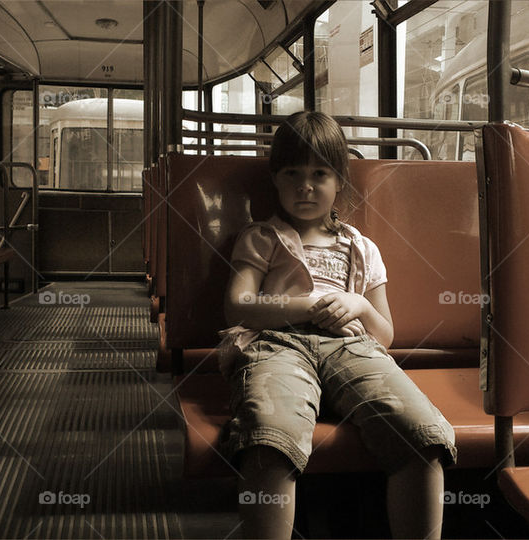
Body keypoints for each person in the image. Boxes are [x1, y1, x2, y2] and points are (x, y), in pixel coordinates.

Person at [218, 111, 457, 539]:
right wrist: (307, 306)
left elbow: (384, 335)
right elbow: (239, 305)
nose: (305, 186)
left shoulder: (362, 247)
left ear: (339, 181)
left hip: (353, 348)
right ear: (275, 179)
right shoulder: (261, 237)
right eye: (292, 173)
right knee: (270, 437)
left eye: (319, 174)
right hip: (278, 345)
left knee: (421, 435)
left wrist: (359, 305)